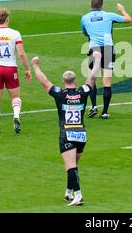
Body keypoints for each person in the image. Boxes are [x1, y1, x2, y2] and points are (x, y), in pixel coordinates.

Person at [31, 52, 100, 206]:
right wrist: (98, 59)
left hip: (66, 134)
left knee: (70, 166)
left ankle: (78, 195)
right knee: (73, 166)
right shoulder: (83, 92)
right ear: (75, 81)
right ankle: (68, 193)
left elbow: (44, 81)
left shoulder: (60, 94)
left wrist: (35, 65)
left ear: (63, 81)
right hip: (81, 134)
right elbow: (92, 78)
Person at [81, 0, 132, 119]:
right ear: (102, 6)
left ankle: (93, 106)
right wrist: (122, 10)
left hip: (94, 49)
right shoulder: (109, 15)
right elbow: (128, 19)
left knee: (92, 79)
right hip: (108, 49)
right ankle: (105, 112)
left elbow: (85, 33)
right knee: (107, 82)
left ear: (90, 6)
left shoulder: (84, 18)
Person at [0, 8, 31, 134]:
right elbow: (21, 54)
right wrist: (27, 69)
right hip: (11, 68)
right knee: (15, 96)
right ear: (7, 19)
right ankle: (16, 116)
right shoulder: (15, 34)